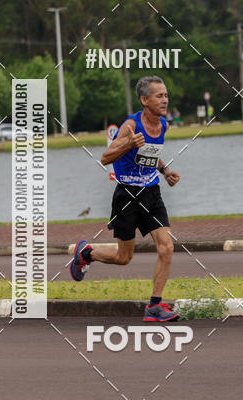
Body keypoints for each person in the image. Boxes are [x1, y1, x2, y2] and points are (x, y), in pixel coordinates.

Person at [69, 75, 181, 322]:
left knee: (167, 247)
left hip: (151, 193)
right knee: (124, 258)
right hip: (127, 196)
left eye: (166, 95)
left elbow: (150, 153)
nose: (165, 100)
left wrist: (164, 171)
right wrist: (128, 143)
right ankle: (86, 253)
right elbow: (105, 158)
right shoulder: (130, 126)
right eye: (159, 96)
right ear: (144, 100)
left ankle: (154, 307)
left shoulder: (163, 125)